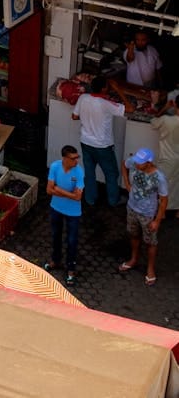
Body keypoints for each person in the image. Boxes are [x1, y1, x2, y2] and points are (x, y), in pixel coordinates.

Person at [72, 76, 133, 207]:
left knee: (89, 172)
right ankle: (113, 200)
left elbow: (74, 116)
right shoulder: (106, 104)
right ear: (104, 88)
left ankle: (90, 199)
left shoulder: (83, 98)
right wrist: (118, 89)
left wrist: (89, 119)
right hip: (102, 146)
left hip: (86, 142)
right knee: (111, 173)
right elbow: (130, 109)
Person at [120, 148, 169, 285]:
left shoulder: (159, 178)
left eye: (140, 163)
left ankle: (150, 268)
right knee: (133, 235)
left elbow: (164, 200)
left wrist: (157, 221)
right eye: (136, 161)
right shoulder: (134, 162)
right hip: (131, 208)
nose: (136, 164)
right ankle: (134, 259)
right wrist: (127, 183)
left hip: (147, 214)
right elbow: (124, 164)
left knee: (150, 242)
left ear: (149, 163)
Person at [45, 145, 85, 286]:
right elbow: (49, 190)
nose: (76, 161)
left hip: (73, 213)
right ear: (65, 158)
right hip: (56, 208)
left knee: (72, 241)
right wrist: (69, 194)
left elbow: (78, 197)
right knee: (56, 235)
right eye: (73, 158)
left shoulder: (79, 172)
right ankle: (55, 260)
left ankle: (71, 270)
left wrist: (58, 189)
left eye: (77, 158)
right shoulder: (55, 167)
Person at [151, 102, 179, 210]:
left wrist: (165, 108)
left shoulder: (166, 120)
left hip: (167, 158)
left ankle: (162, 212)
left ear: (175, 105)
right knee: (177, 185)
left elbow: (153, 122)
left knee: (163, 185)